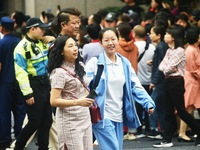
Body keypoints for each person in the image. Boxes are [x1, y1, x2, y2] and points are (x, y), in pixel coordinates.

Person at [85, 28, 155, 150]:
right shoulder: (94, 63)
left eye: (113, 39)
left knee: (116, 147)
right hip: (102, 116)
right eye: (106, 40)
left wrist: (147, 102)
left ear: (118, 40)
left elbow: (135, 85)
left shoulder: (125, 63)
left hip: (119, 114)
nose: (110, 43)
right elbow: (84, 86)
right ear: (101, 43)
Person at [153, 25, 200, 148]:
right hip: (168, 81)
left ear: (173, 37)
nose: (165, 36)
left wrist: (168, 68)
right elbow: (162, 67)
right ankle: (167, 139)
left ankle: (198, 131)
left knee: (181, 111)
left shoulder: (179, 51)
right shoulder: (169, 50)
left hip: (177, 81)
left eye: (167, 34)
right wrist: (167, 68)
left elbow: (168, 67)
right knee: (168, 110)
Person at [48, 35, 94, 150]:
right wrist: (78, 102)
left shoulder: (80, 66)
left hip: (84, 116)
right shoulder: (58, 72)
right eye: (70, 46)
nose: (75, 48)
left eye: (75, 45)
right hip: (69, 121)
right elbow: (54, 101)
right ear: (61, 52)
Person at [13, 17, 52, 150]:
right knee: (35, 121)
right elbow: (21, 73)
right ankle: (18, 146)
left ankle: (43, 148)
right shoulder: (21, 47)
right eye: (41, 28)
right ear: (32, 29)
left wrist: (53, 40)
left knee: (47, 122)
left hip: (45, 83)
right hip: (33, 85)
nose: (44, 31)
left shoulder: (42, 42)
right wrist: (28, 93)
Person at [0, 16, 26, 150]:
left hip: (4, 82)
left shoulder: (1, 44)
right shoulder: (20, 42)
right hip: (20, 82)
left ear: (1, 28)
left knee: (4, 112)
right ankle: (20, 140)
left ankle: (4, 141)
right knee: (20, 112)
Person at [178, 26, 200, 142]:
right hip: (192, 80)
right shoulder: (191, 50)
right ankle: (182, 132)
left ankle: (183, 131)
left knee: (190, 106)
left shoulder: (194, 48)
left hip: (193, 80)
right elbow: (193, 69)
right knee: (189, 107)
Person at [147, 25, 169, 139]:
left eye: (152, 33)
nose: (150, 35)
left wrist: (154, 81)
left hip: (160, 81)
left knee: (153, 104)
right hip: (162, 81)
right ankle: (163, 130)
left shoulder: (160, 47)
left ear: (158, 35)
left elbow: (161, 66)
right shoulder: (162, 46)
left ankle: (156, 129)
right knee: (160, 106)